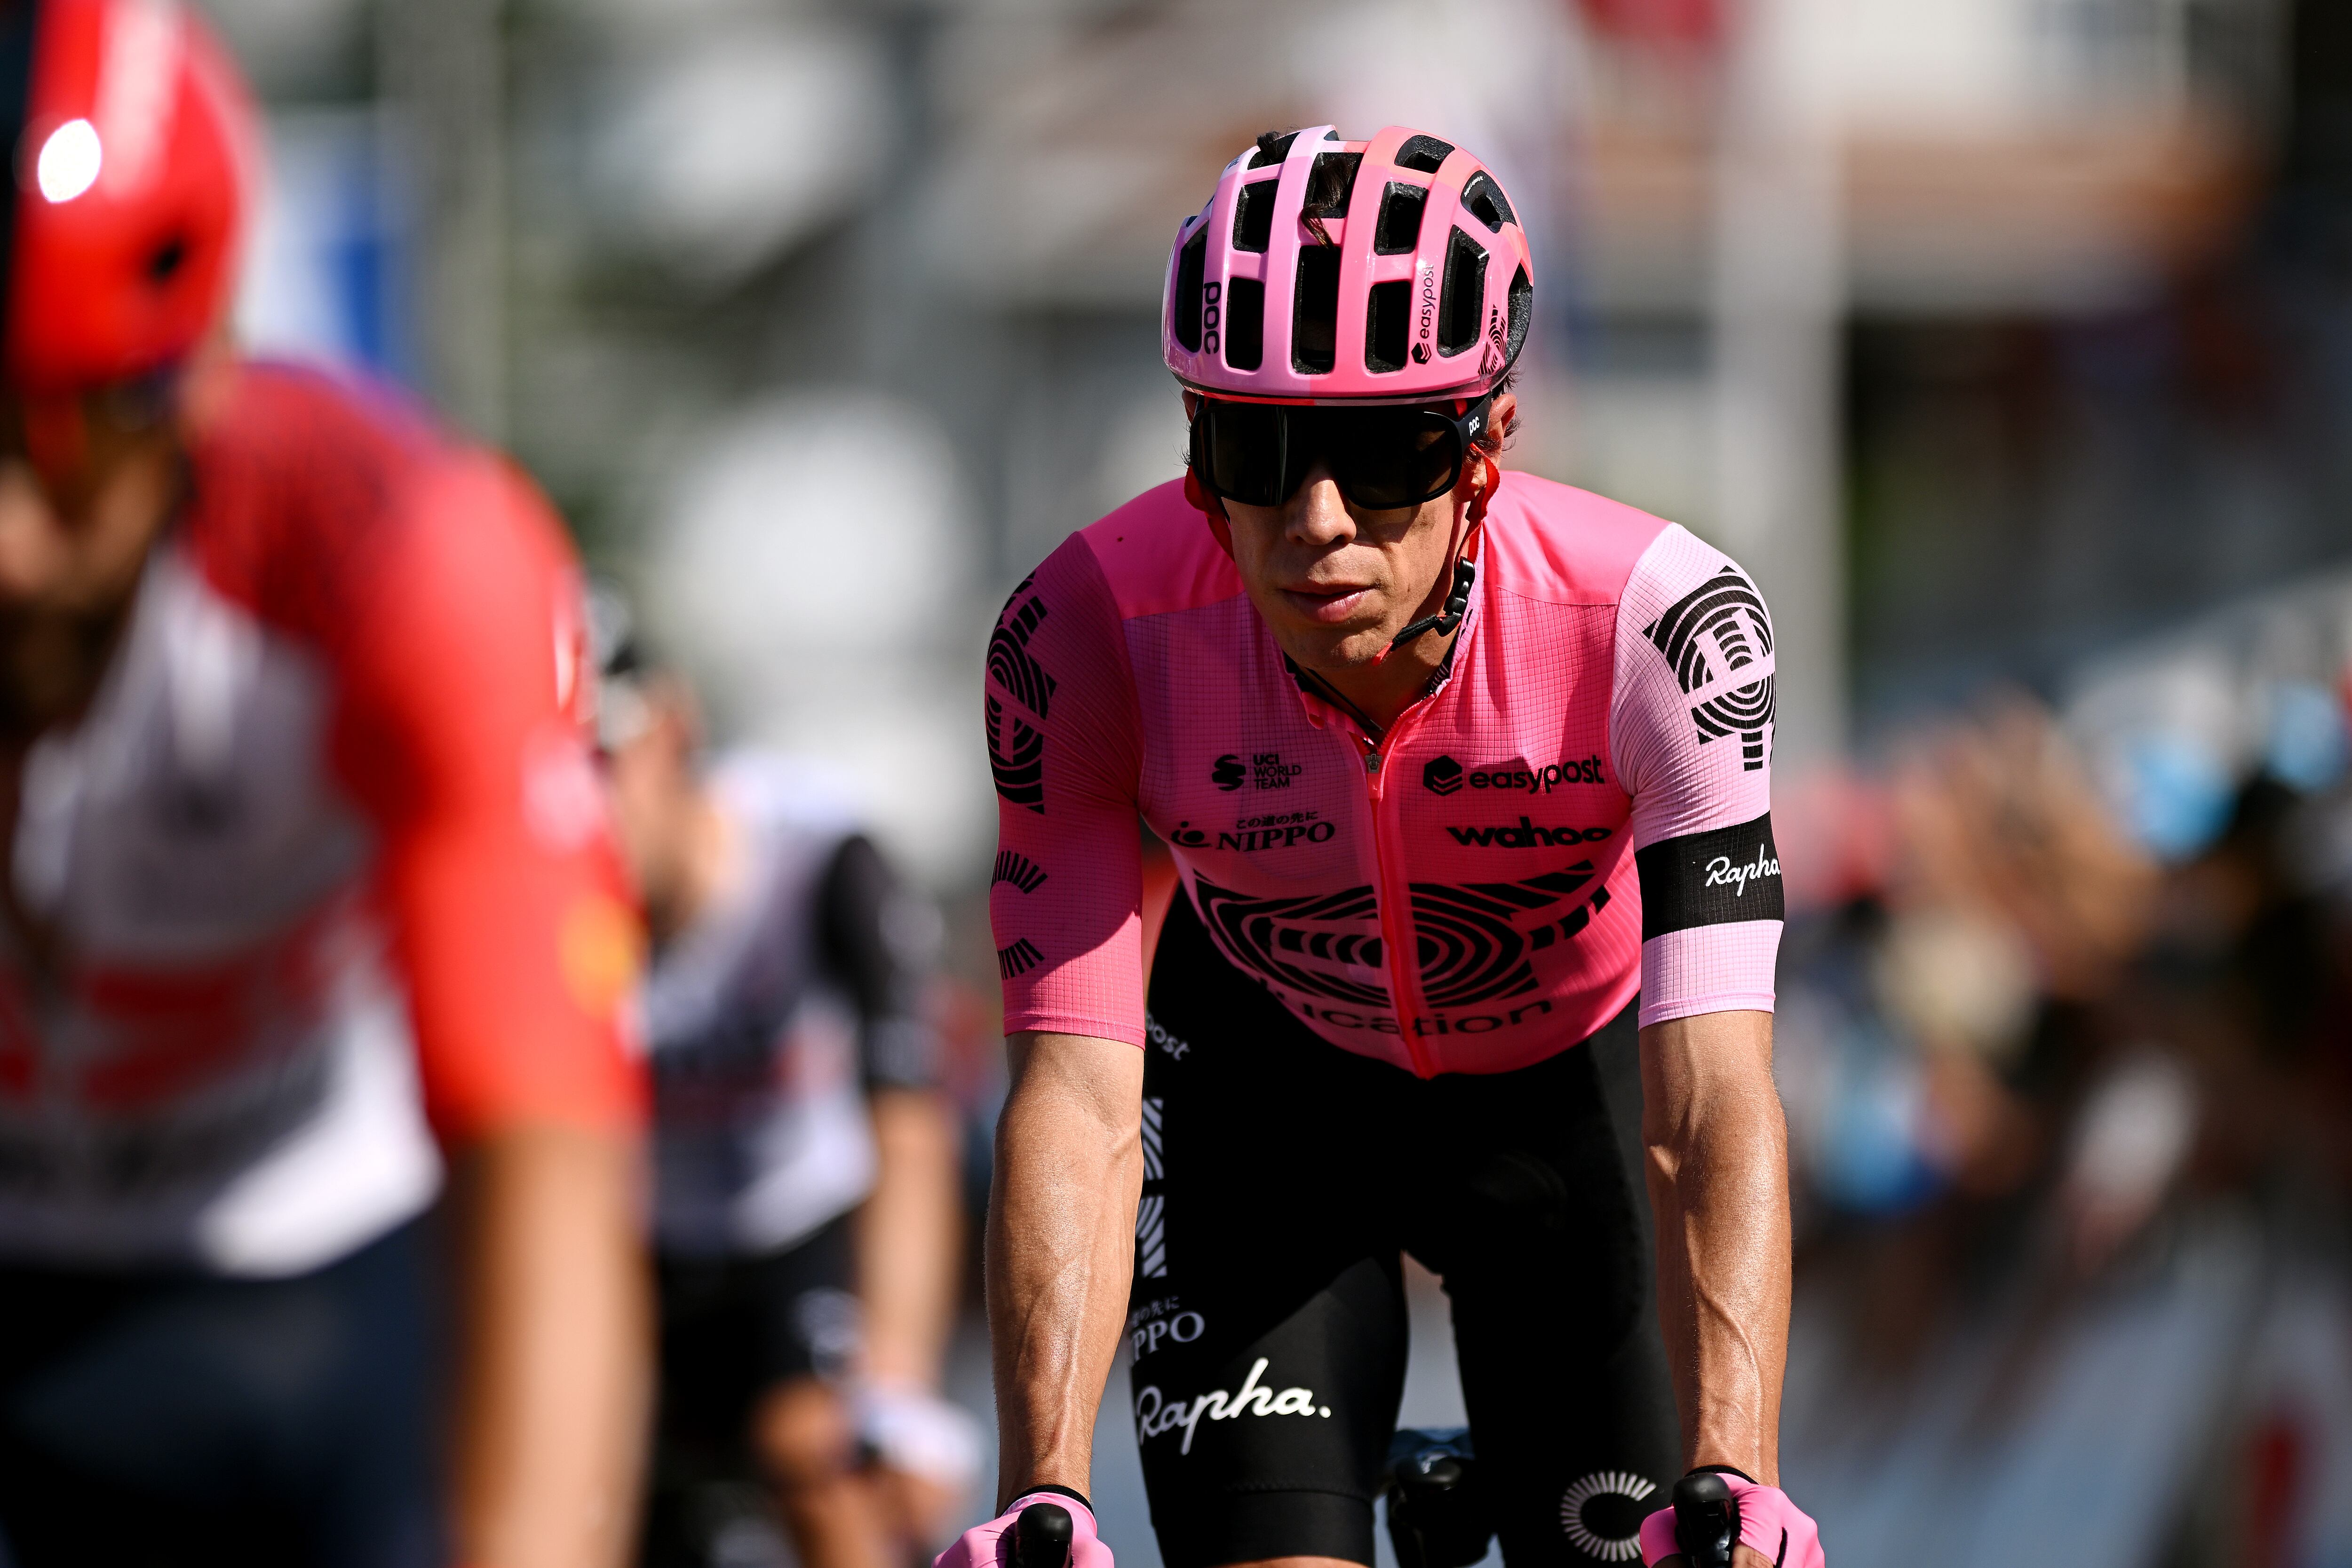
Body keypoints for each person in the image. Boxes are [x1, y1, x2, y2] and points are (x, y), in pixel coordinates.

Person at [950, 126, 1827, 1568]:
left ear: (1486, 443)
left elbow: (1714, 1101)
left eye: (1385, 453)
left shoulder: (1660, 627)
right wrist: (1041, 1486)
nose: (1317, 522)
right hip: (1265, 1103)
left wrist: (1740, 1462)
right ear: (1193, 453)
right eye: (1259, 447)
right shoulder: (1082, 637)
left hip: (1574, 1105)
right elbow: (1078, 1097)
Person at [0, 3, 649, 1564]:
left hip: (315, 1283)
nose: (5, 544)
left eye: (65, 434)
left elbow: (551, 1155)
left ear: (200, 372)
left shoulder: (409, 561)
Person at [593, 605, 977, 1568]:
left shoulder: (816, 853)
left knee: (823, 1461)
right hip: (644, 1252)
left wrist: (895, 1386)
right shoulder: (538, 897)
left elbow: (910, 1127)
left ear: (673, 729)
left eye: (602, 760)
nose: (584, 806)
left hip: (803, 1234)